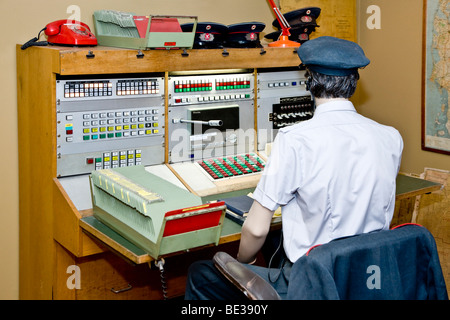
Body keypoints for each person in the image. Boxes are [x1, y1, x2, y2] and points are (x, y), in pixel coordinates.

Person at [184, 36, 404, 300]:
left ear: (309, 81)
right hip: (368, 277)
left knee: (200, 271)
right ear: (354, 83)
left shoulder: (294, 139)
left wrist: (246, 264)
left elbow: (256, 229)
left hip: (313, 283)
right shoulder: (391, 136)